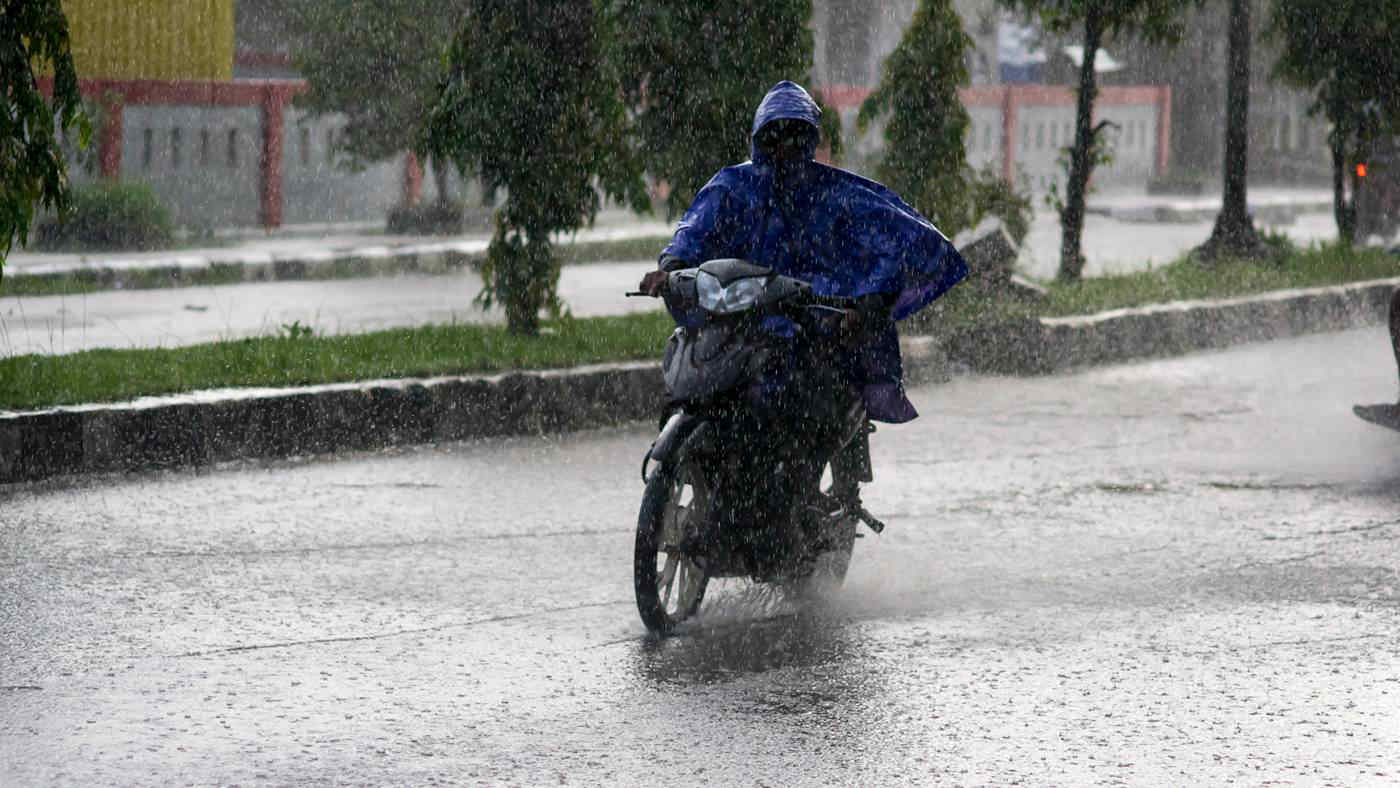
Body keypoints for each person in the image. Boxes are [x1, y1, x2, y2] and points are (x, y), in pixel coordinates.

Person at [638, 80, 968, 501]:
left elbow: (896, 239)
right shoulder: (732, 187)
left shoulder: (838, 194)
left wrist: (871, 298)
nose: (784, 147)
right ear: (759, 139)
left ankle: (796, 497)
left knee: (802, 403)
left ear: (810, 139)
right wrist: (671, 268)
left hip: (812, 323)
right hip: (738, 319)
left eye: (796, 136)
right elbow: (692, 231)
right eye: (774, 136)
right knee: (685, 382)